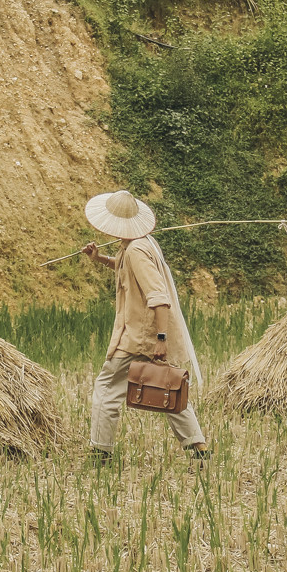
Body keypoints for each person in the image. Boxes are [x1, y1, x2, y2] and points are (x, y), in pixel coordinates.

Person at [80, 190, 210, 460]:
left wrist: (160, 338)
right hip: (147, 334)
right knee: (167, 384)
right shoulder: (139, 244)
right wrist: (100, 259)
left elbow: (158, 297)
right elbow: (127, 266)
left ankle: (100, 451)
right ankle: (197, 446)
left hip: (139, 336)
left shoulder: (136, 249)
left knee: (107, 386)